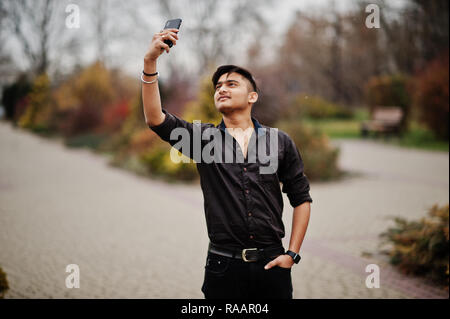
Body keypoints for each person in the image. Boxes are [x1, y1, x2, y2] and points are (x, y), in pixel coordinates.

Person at [142, 28, 312, 299]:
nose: (221, 88)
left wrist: (292, 254)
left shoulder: (280, 141)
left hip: (272, 264)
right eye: (218, 86)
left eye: (231, 84)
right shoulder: (202, 140)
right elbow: (155, 119)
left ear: (252, 96)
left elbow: (301, 198)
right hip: (224, 267)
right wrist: (150, 63)